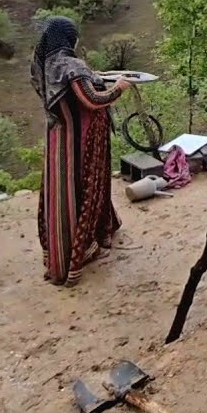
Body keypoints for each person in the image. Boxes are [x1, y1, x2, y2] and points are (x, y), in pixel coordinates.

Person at [30, 16, 132, 287]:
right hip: (78, 142)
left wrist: (95, 76)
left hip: (57, 138)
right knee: (80, 189)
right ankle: (79, 250)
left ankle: (56, 249)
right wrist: (118, 88)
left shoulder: (43, 65)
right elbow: (91, 99)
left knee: (58, 192)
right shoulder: (71, 65)